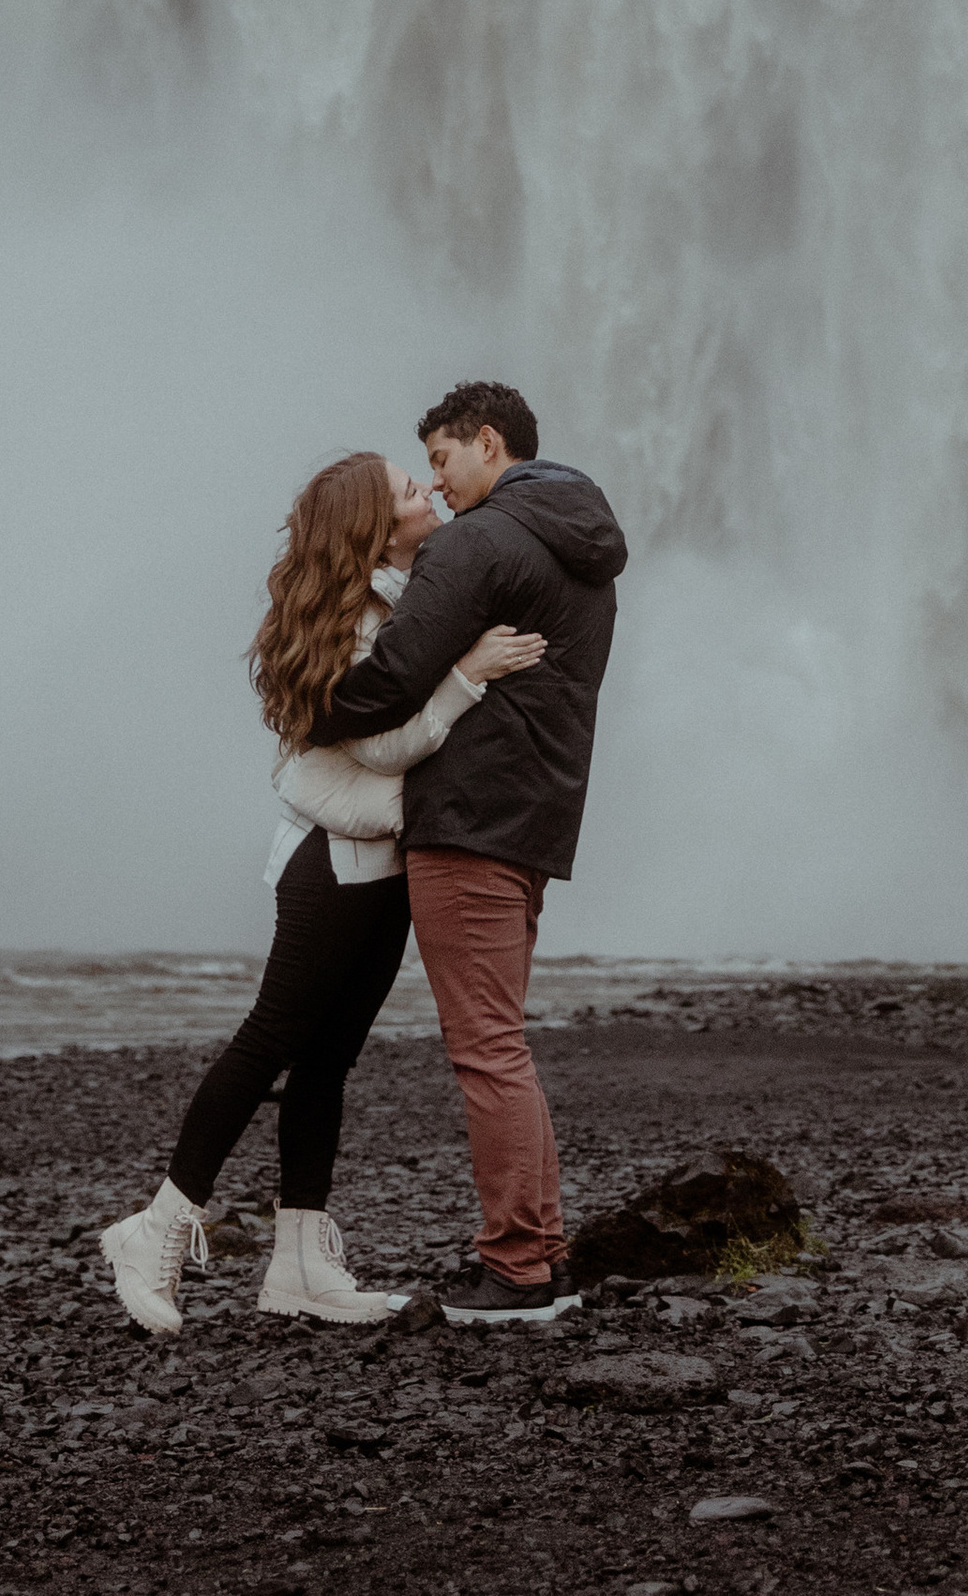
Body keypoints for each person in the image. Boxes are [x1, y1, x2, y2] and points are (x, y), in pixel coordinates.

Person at [96, 450, 544, 1336]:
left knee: (329, 1060)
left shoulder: (405, 594)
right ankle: (153, 1229)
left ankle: (299, 1264)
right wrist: (469, 676)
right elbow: (378, 745)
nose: (426, 492)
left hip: (380, 861)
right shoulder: (361, 613)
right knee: (270, 1038)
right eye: (410, 491)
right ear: (373, 527)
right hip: (330, 863)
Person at [315, 378, 626, 1323]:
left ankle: (518, 1271)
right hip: (534, 821)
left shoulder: (477, 540)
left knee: (487, 1050)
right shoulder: (584, 545)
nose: (437, 487)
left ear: (488, 442)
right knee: (504, 1044)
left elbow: (396, 673)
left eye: (441, 461)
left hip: (470, 822)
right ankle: (542, 1251)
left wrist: (312, 710)